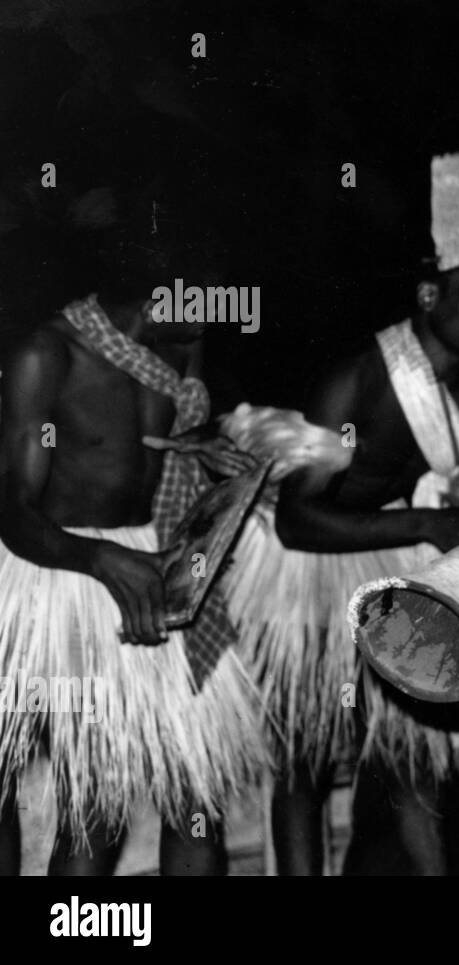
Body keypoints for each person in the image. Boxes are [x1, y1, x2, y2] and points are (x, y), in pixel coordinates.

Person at [274, 153, 459, 875]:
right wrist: (423, 526)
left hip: (407, 568)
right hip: (311, 570)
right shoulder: (355, 381)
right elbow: (297, 520)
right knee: (308, 759)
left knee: (417, 750)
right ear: (427, 294)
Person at [0, 193, 265, 875]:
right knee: (98, 816)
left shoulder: (183, 337)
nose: (219, 313)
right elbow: (13, 511)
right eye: (205, 300)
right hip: (65, 572)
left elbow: (175, 434)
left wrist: (212, 448)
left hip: (159, 560)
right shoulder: (47, 353)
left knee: (197, 802)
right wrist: (101, 560)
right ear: (154, 296)